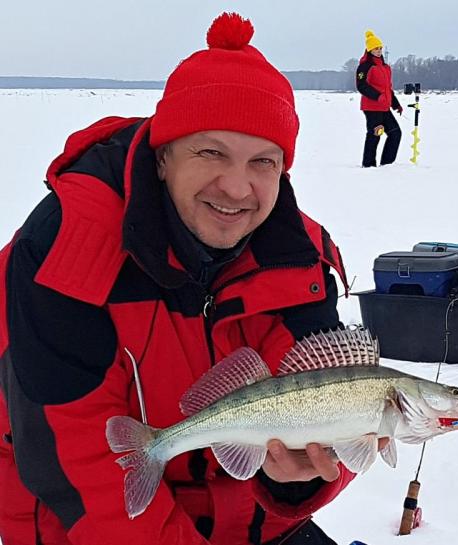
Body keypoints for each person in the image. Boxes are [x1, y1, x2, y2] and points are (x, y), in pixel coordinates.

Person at [0, 12, 365, 545]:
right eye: (211, 151)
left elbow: (332, 393)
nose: (238, 188)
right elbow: (75, 460)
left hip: (247, 522)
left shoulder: (300, 260)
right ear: (163, 155)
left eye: (263, 161)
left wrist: (297, 480)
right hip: (88, 523)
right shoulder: (64, 251)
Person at [356, 30, 403, 167]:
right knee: (375, 134)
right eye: (376, 48)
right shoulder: (365, 67)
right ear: (370, 49)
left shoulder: (385, 67)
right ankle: (368, 165)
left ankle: (387, 164)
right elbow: (361, 86)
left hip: (384, 107)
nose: (379, 50)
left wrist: (395, 104)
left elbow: (388, 88)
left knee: (395, 133)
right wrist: (377, 96)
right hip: (371, 107)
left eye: (380, 48)